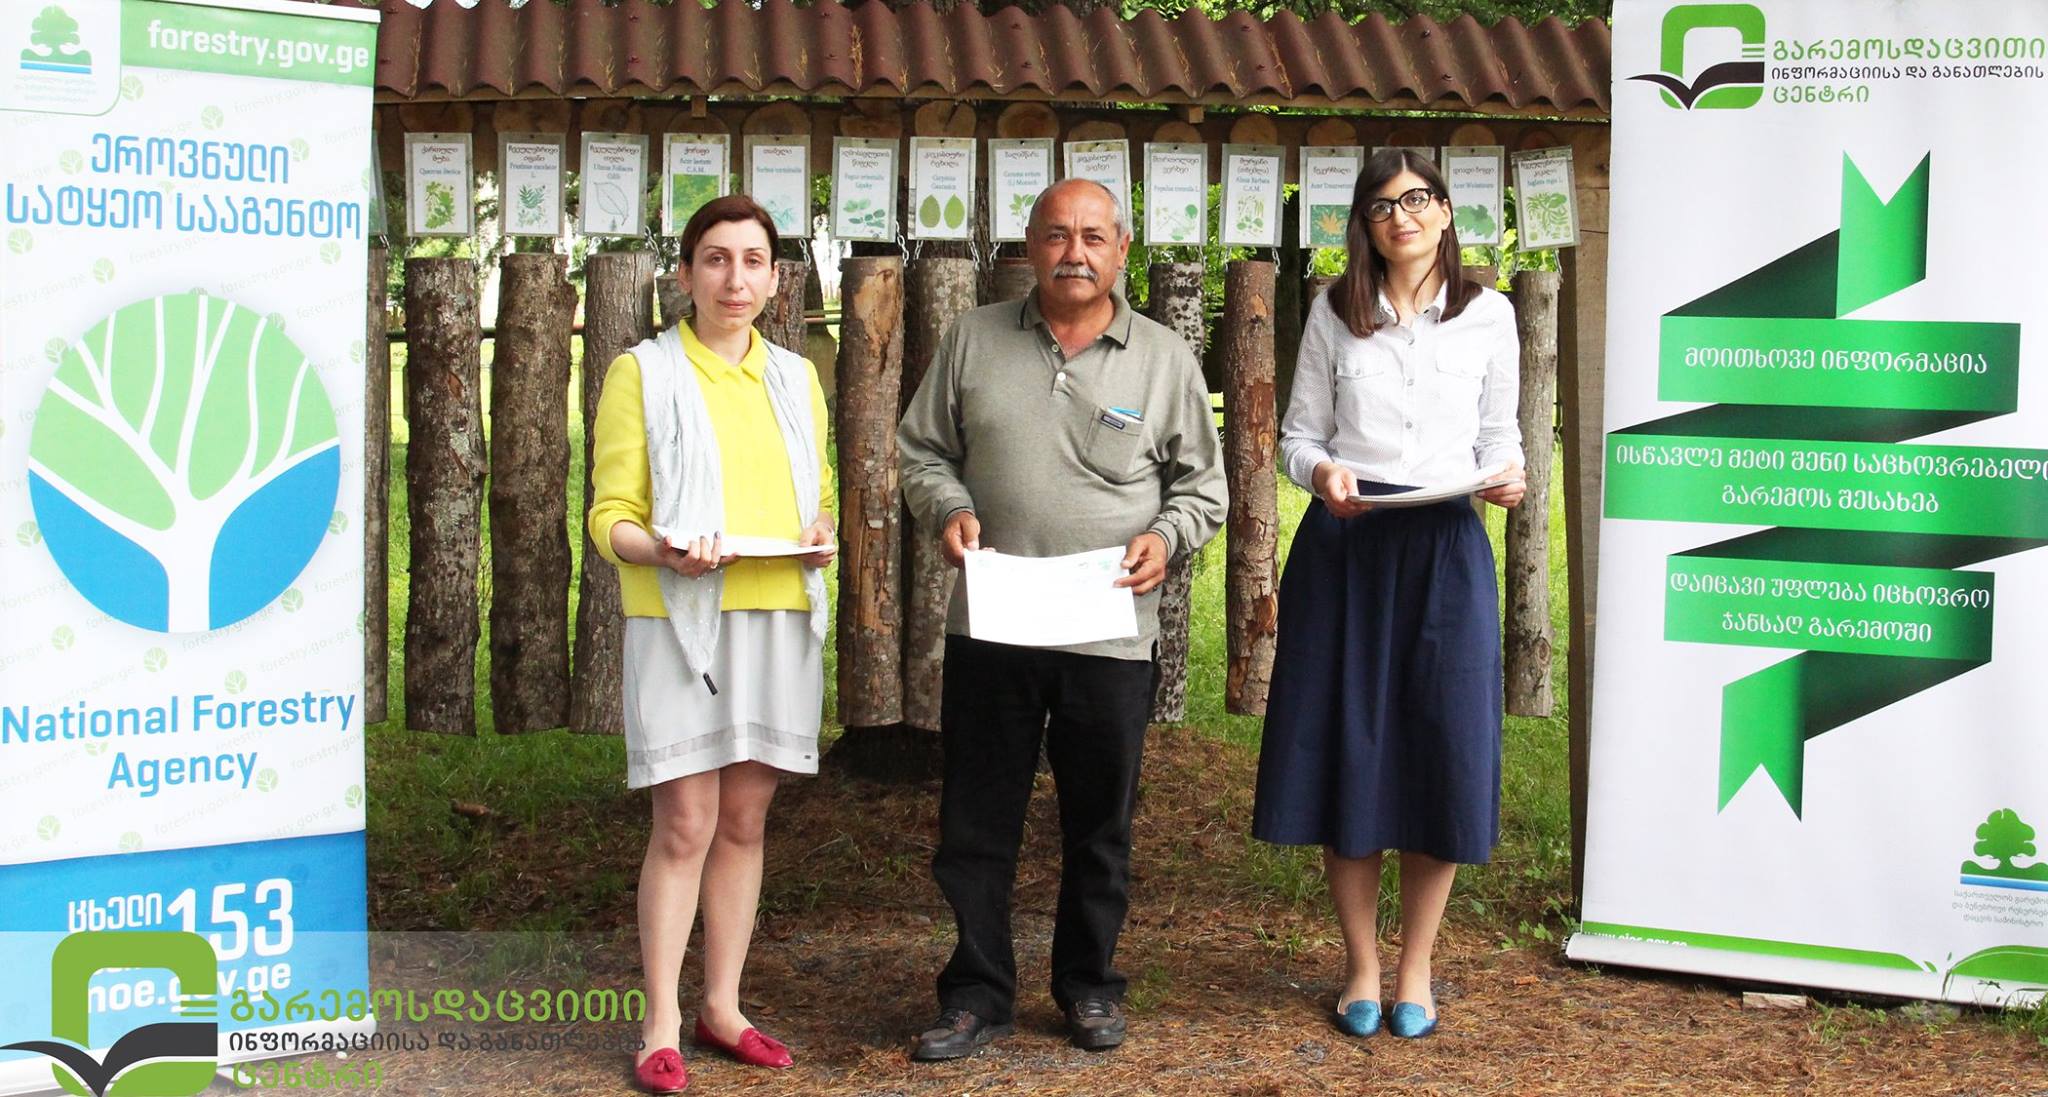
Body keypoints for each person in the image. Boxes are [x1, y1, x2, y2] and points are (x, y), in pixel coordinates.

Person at [897, 178, 1228, 1059]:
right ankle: (975, 993)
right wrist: (948, 507)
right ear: (1031, 245)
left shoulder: (1163, 358)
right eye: (1055, 234)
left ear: (1122, 250)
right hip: (994, 623)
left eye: (1091, 236)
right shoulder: (973, 339)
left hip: (1108, 630)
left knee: (1099, 825)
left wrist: (1166, 536)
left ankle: (1088, 984)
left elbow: (1204, 486)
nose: (1073, 252)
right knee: (975, 822)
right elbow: (921, 451)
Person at [1251, 149, 1526, 1041]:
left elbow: (1501, 437)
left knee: (1443, 747)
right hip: (1349, 546)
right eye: (1380, 205)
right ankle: (1362, 964)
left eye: (1417, 199)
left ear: (1445, 212)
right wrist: (1323, 472)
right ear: (1363, 225)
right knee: (1352, 746)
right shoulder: (1334, 312)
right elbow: (1298, 437)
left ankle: (1418, 968)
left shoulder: (1490, 315)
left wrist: (1508, 476)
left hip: (1446, 548)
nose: (1400, 216)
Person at [586, 194, 836, 1094]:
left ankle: (722, 1006)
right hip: (680, 619)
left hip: (778, 613)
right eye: (717, 259)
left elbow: (817, 496)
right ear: (685, 273)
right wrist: (663, 551)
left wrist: (821, 531)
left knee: (743, 821)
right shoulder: (643, 373)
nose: (736, 279)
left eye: (753, 261)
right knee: (685, 821)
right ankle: (660, 1020)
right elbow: (609, 517)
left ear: (775, 279)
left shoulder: (796, 378)